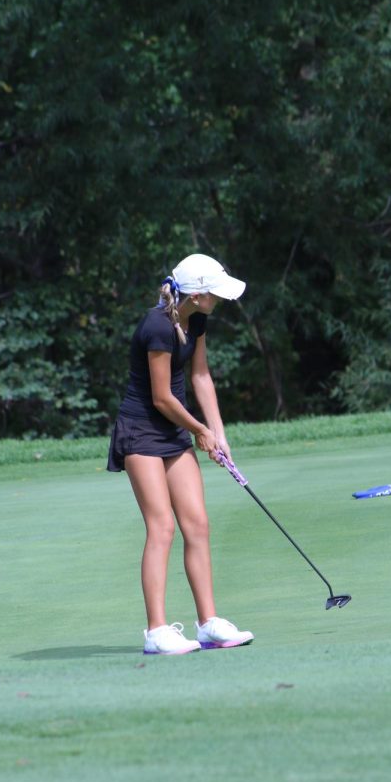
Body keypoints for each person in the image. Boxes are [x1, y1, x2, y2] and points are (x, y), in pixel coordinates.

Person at [107, 253, 254, 655]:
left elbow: (200, 375)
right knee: (162, 527)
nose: (219, 300)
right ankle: (156, 632)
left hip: (175, 430)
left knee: (198, 524)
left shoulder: (198, 320)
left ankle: (209, 624)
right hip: (141, 431)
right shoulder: (157, 326)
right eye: (214, 293)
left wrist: (218, 432)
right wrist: (200, 430)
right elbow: (161, 397)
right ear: (197, 293)